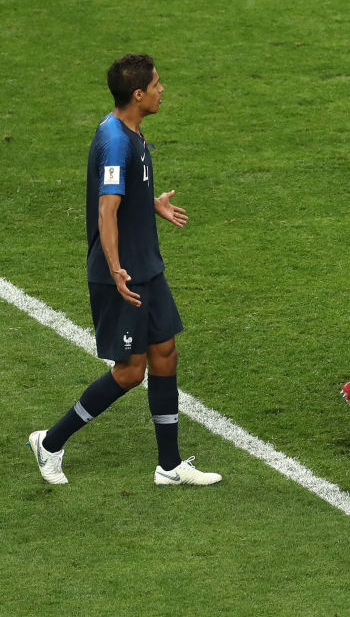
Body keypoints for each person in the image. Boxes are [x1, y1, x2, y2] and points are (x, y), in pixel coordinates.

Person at [28, 54, 220, 487]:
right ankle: (50, 442)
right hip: (124, 275)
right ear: (138, 94)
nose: (161, 89)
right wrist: (116, 269)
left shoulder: (127, 130)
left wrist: (152, 203)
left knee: (166, 352)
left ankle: (169, 466)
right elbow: (106, 208)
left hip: (146, 266)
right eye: (156, 84)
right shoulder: (115, 139)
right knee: (131, 371)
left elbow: (121, 190)